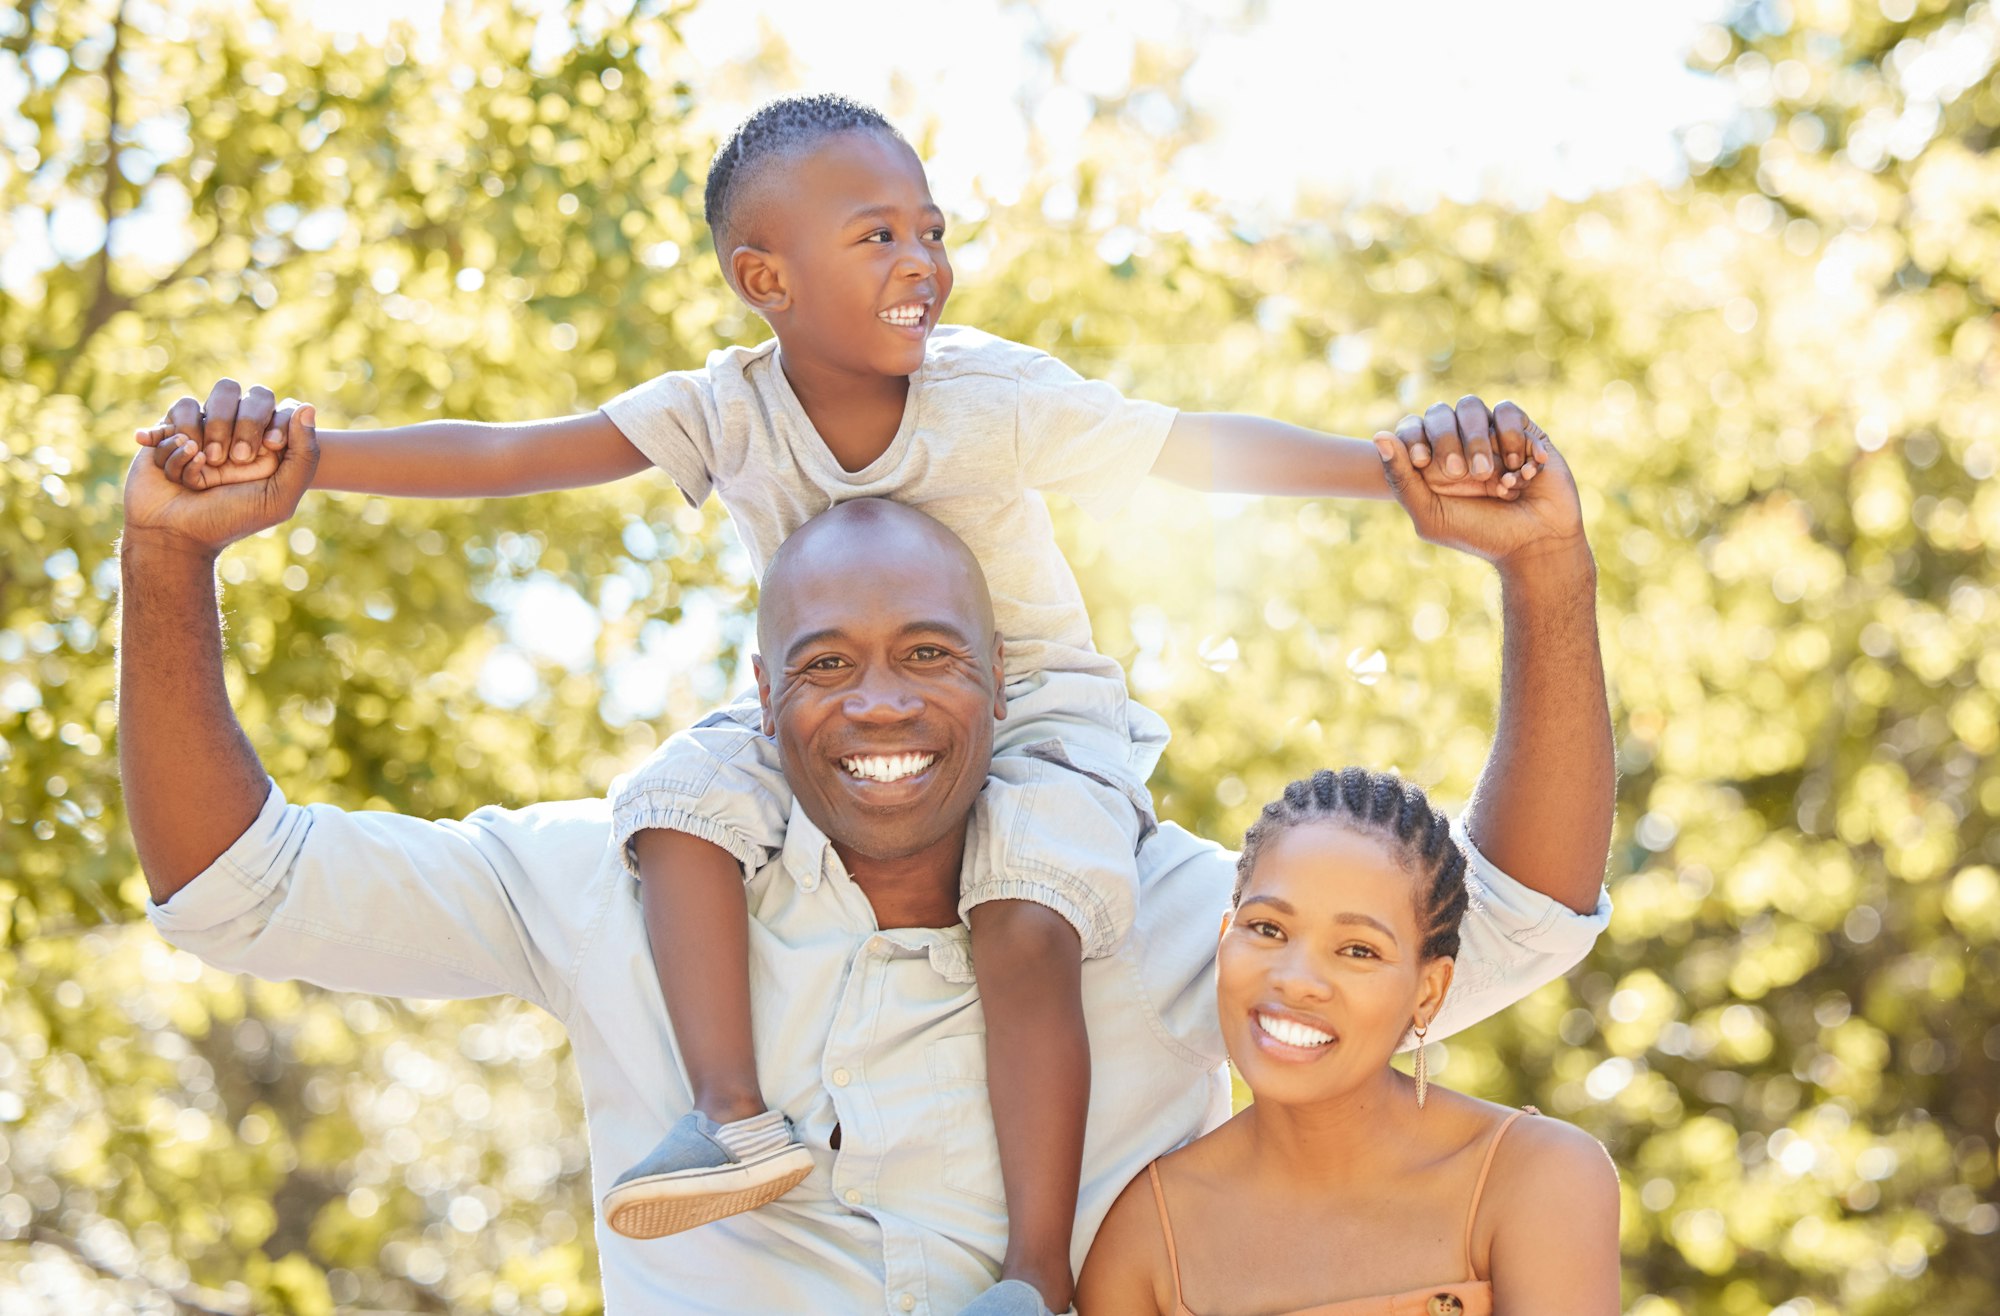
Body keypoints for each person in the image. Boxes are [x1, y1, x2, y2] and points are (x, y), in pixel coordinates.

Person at [133, 94, 1549, 1314]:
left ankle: (1033, 1278)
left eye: (932, 228)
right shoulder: (725, 413)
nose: (923, 261)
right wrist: (285, 476)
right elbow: (514, 458)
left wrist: (1410, 482)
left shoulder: (995, 408)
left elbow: (1191, 453)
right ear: (765, 278)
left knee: (1030, 910)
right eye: (879, 236)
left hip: (1053, 717)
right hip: (774, 755)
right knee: (672, 814)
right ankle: (730, 1117)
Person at [1074, 764, 1621, 1315]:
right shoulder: (1144, 1238)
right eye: (1267, 929)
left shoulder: (1539, 1178)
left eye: (1359, 950)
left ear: (1429, 992)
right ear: (1224, 940)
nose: (1295, 980)